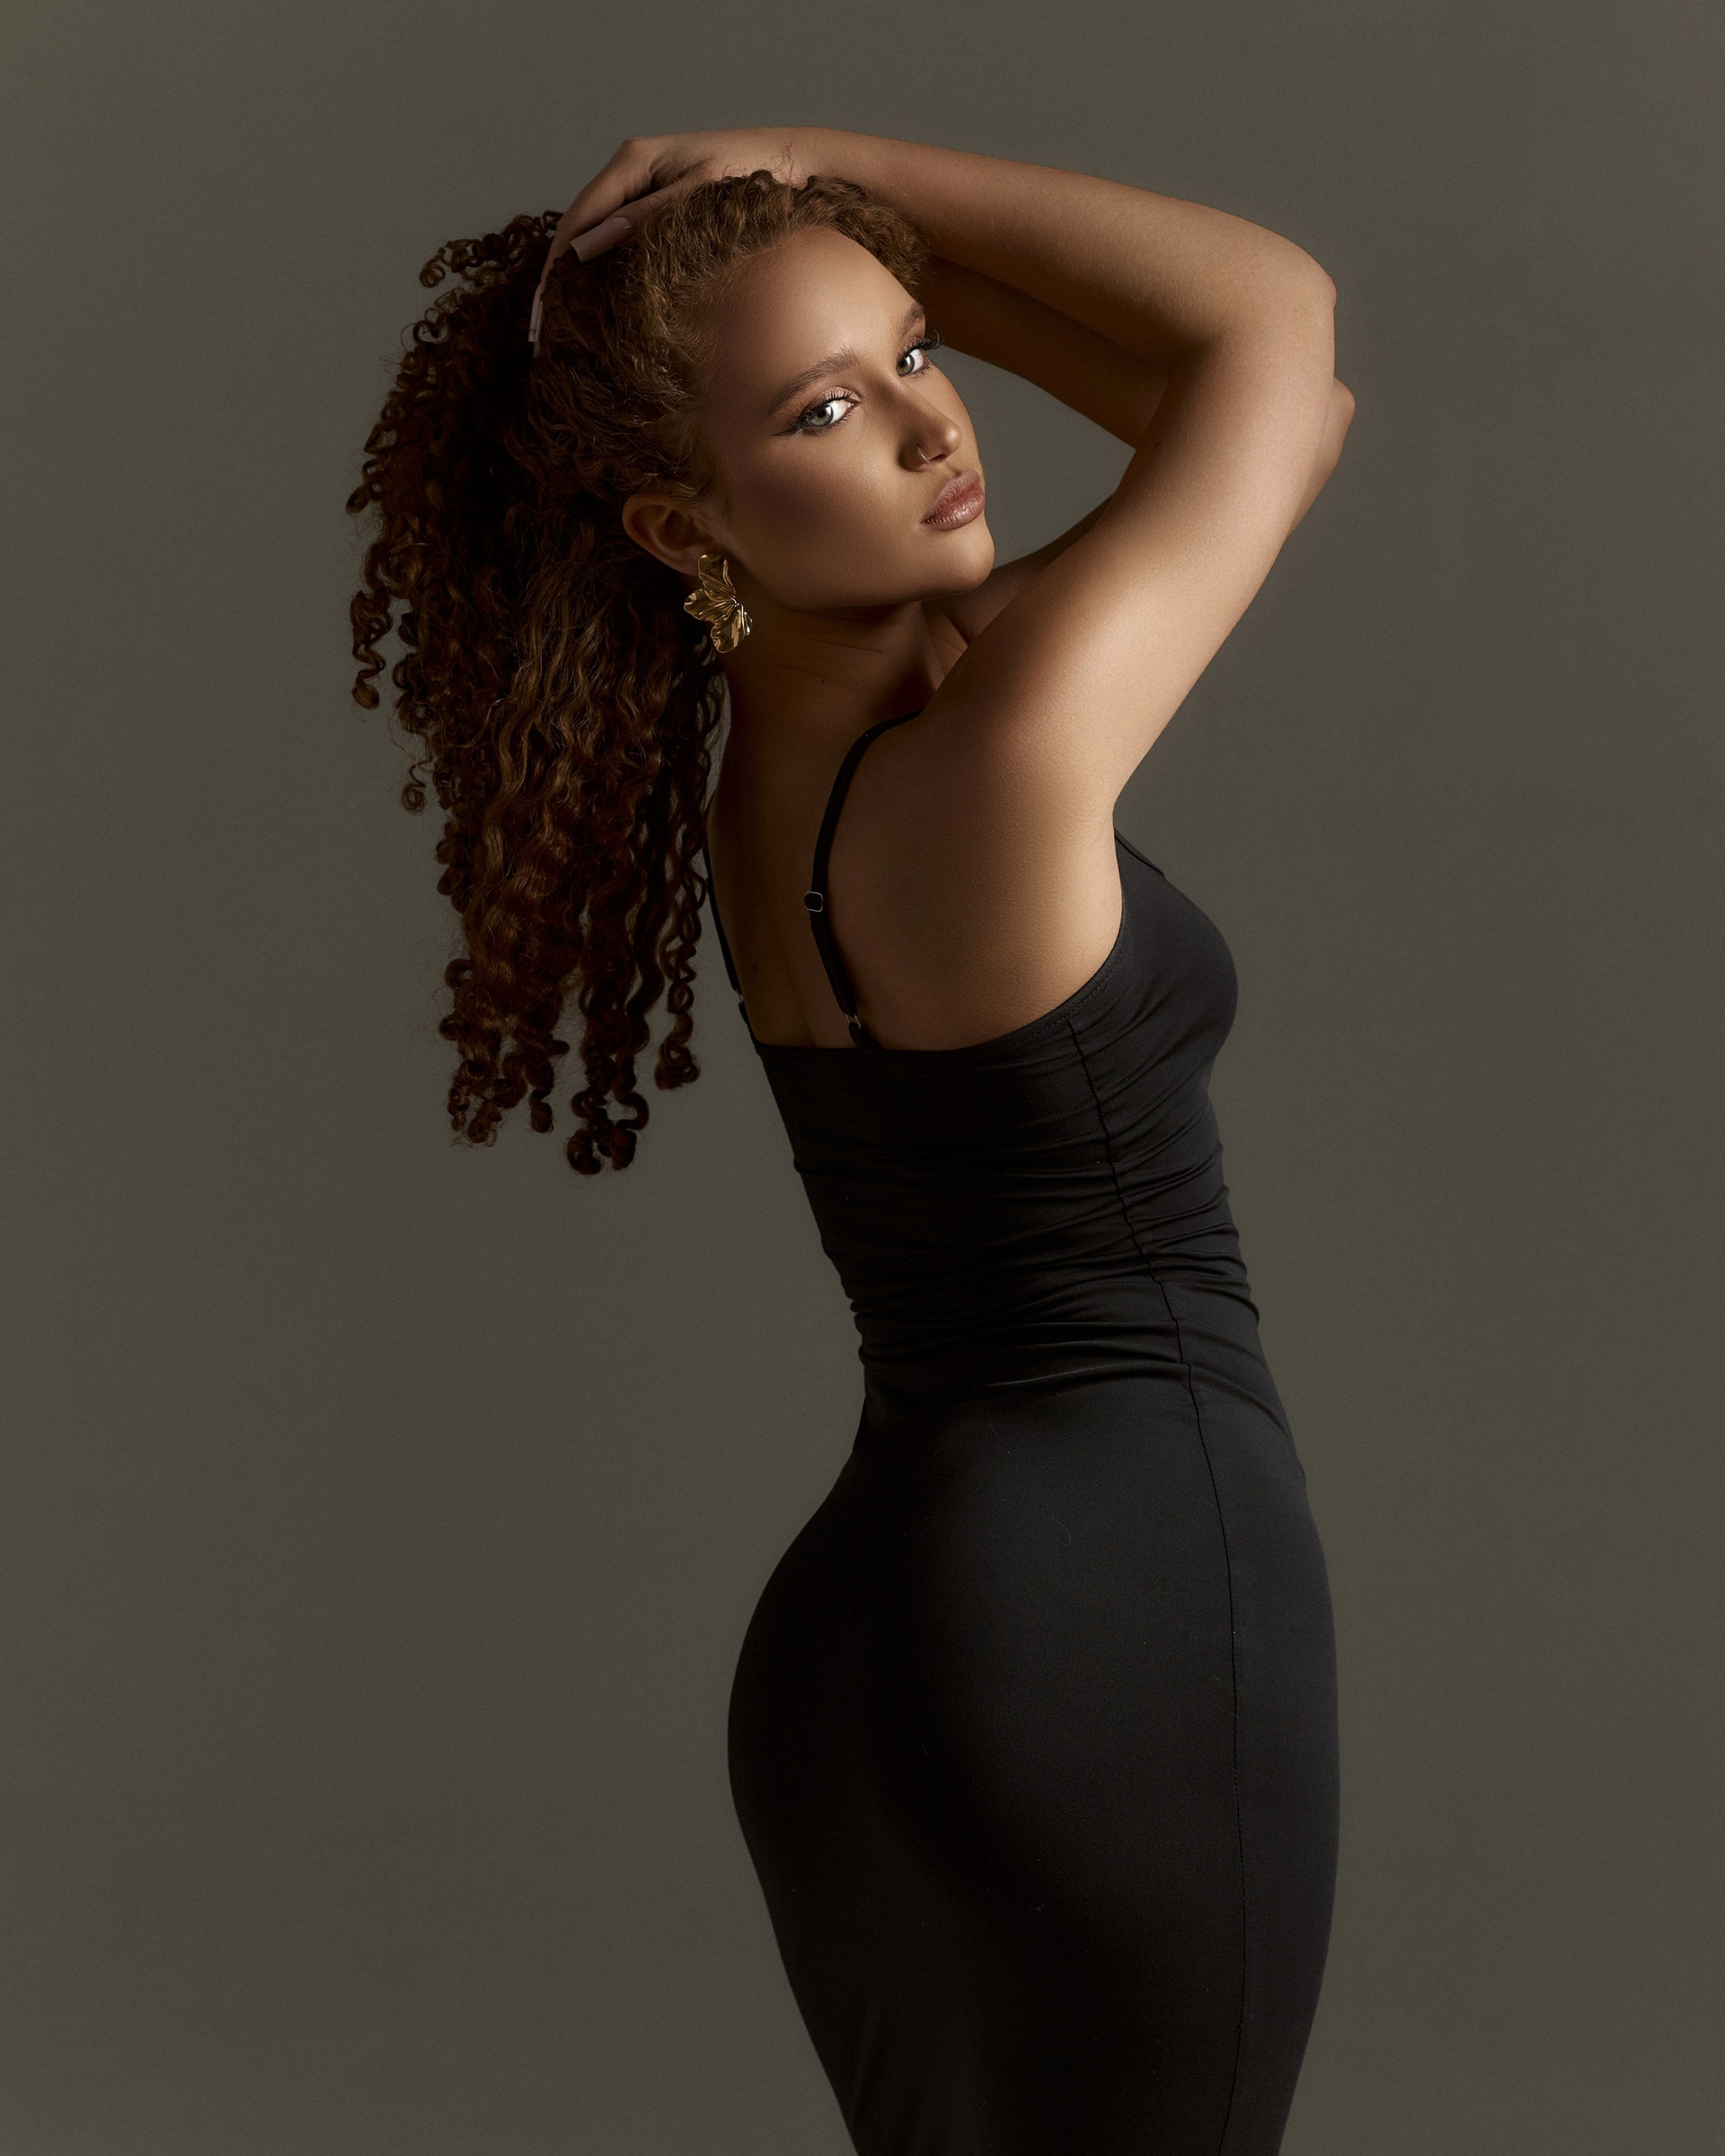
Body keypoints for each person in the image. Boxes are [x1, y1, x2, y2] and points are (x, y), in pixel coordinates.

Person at [349, 125, 1356, 2156]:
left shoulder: (798, 768)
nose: (930, 429)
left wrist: (801, 273)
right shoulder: (1000, 761)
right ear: (677, 520)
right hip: (1125, 1618)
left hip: (873, 1653)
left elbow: (1289, 422)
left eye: (918, 356)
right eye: (824, 413)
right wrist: (830, 168)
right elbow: (1272, 325)